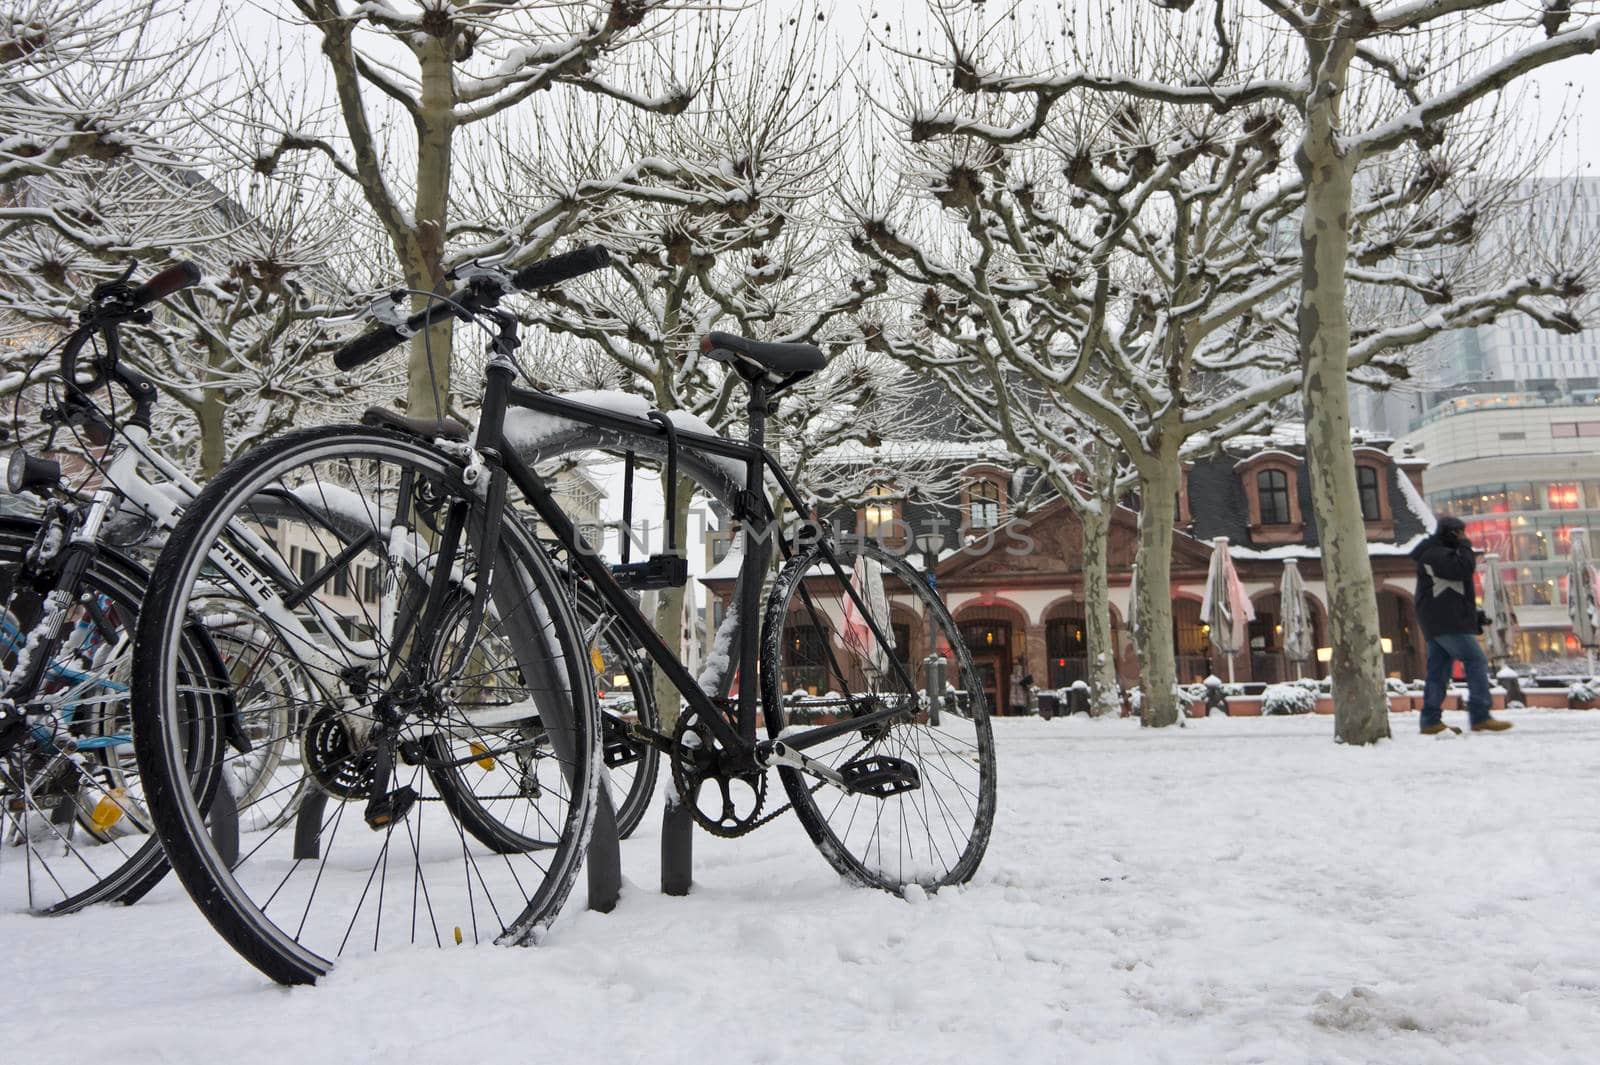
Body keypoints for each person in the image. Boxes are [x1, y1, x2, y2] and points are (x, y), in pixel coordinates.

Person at [1411, 515, 1512, 735]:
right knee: (1475, 659)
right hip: (1446, 622)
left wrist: (1473, 616)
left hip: (1441, 620)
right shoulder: (1435, 554)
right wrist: (1466, 546)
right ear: (1451, 533)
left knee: (1438, 671)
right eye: (1461, 532)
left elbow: (1451, 592)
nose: (1464, 537)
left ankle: (1430, 720)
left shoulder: (1437, 555)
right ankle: (1479, 715)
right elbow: (1462, 570)